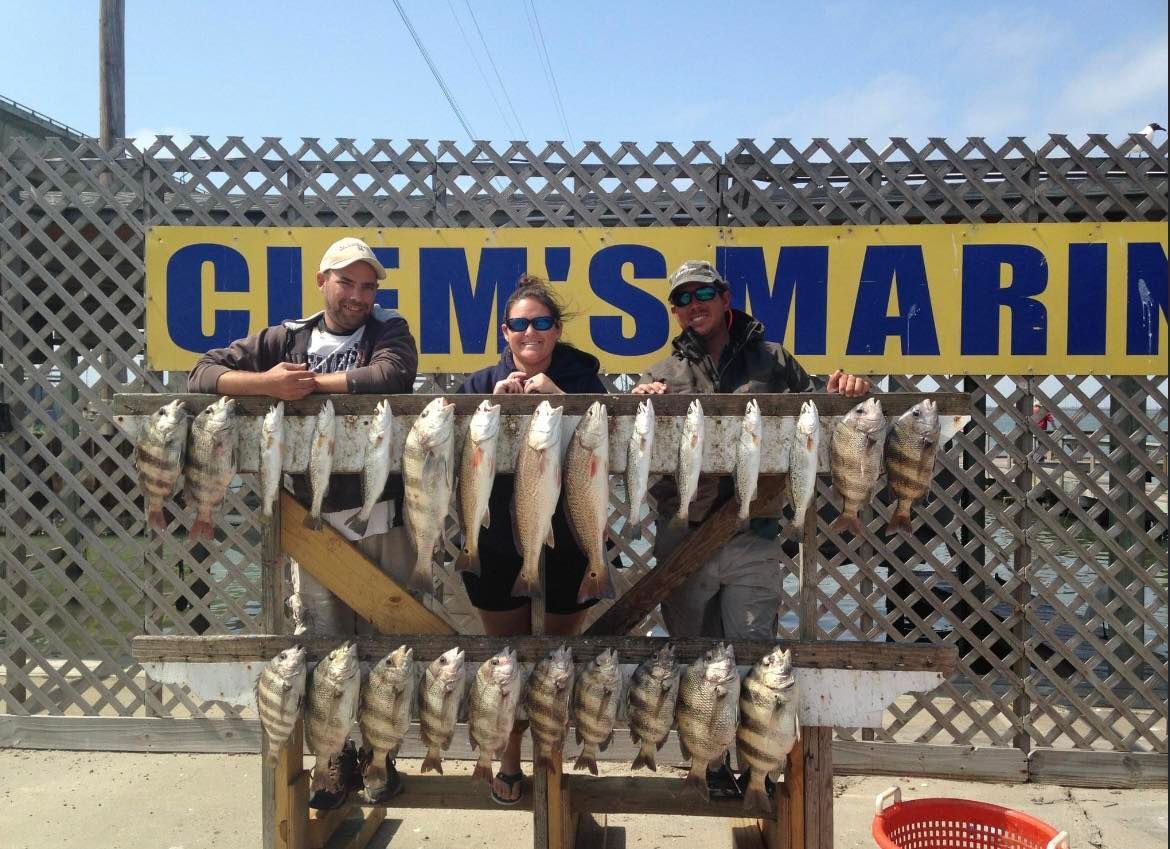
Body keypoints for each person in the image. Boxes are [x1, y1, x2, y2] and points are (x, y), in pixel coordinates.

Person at [187, 235, 418, 808]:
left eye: (368, 285)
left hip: (384, 512)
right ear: (323, 281)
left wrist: (307, 387)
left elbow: (391, 378)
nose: (359, 295)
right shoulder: (281, 338)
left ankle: (380, 754)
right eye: (348, 282)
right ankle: (331, 759)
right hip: (312, 520)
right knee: (322, 645)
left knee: (390, 642)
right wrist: (266, 384)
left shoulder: (391, 330)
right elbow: (202, 374)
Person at [632, 259, 870, 793]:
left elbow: (822, 414)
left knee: (753, 653)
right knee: (694, 654)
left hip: (756, 532)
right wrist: (638, 402)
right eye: (682, 299)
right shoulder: (661, 372)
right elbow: (633, 441)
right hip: (683, 533)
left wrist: (849, 390)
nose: (693, 304)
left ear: (725, 298)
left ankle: (754, 762)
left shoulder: (774, 359)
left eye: (703, 293)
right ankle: (708, 763)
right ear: (674, 312)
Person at [456, 275, 606, 805]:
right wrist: (489, 409)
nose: (530, 333)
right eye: (519, 324)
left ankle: (552, 757)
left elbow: (603, 444)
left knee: (558, 657)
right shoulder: (478, 384)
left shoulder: (585, 377)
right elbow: (458, 460)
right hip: (498, 543)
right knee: (507, 657)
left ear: (556, 330)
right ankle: (510, 757)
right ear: (505, 331)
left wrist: (564, 399)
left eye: (541, 323)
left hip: (567, 538)